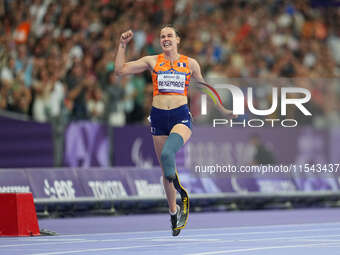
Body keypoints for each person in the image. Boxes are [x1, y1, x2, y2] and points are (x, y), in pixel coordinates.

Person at [115, 25, 234, 236]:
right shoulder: (152, 61)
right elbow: (120, 70)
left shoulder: (190, 63)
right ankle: (173, 210)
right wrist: (122, 45)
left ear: (178, 40)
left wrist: (222, 109)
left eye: (169, 35)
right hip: (159, 118)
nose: (165, 38)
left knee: (168, 154)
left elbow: (205, 87)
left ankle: (183, 195)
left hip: (180, 116)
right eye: (162, 36)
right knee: (165, 173)